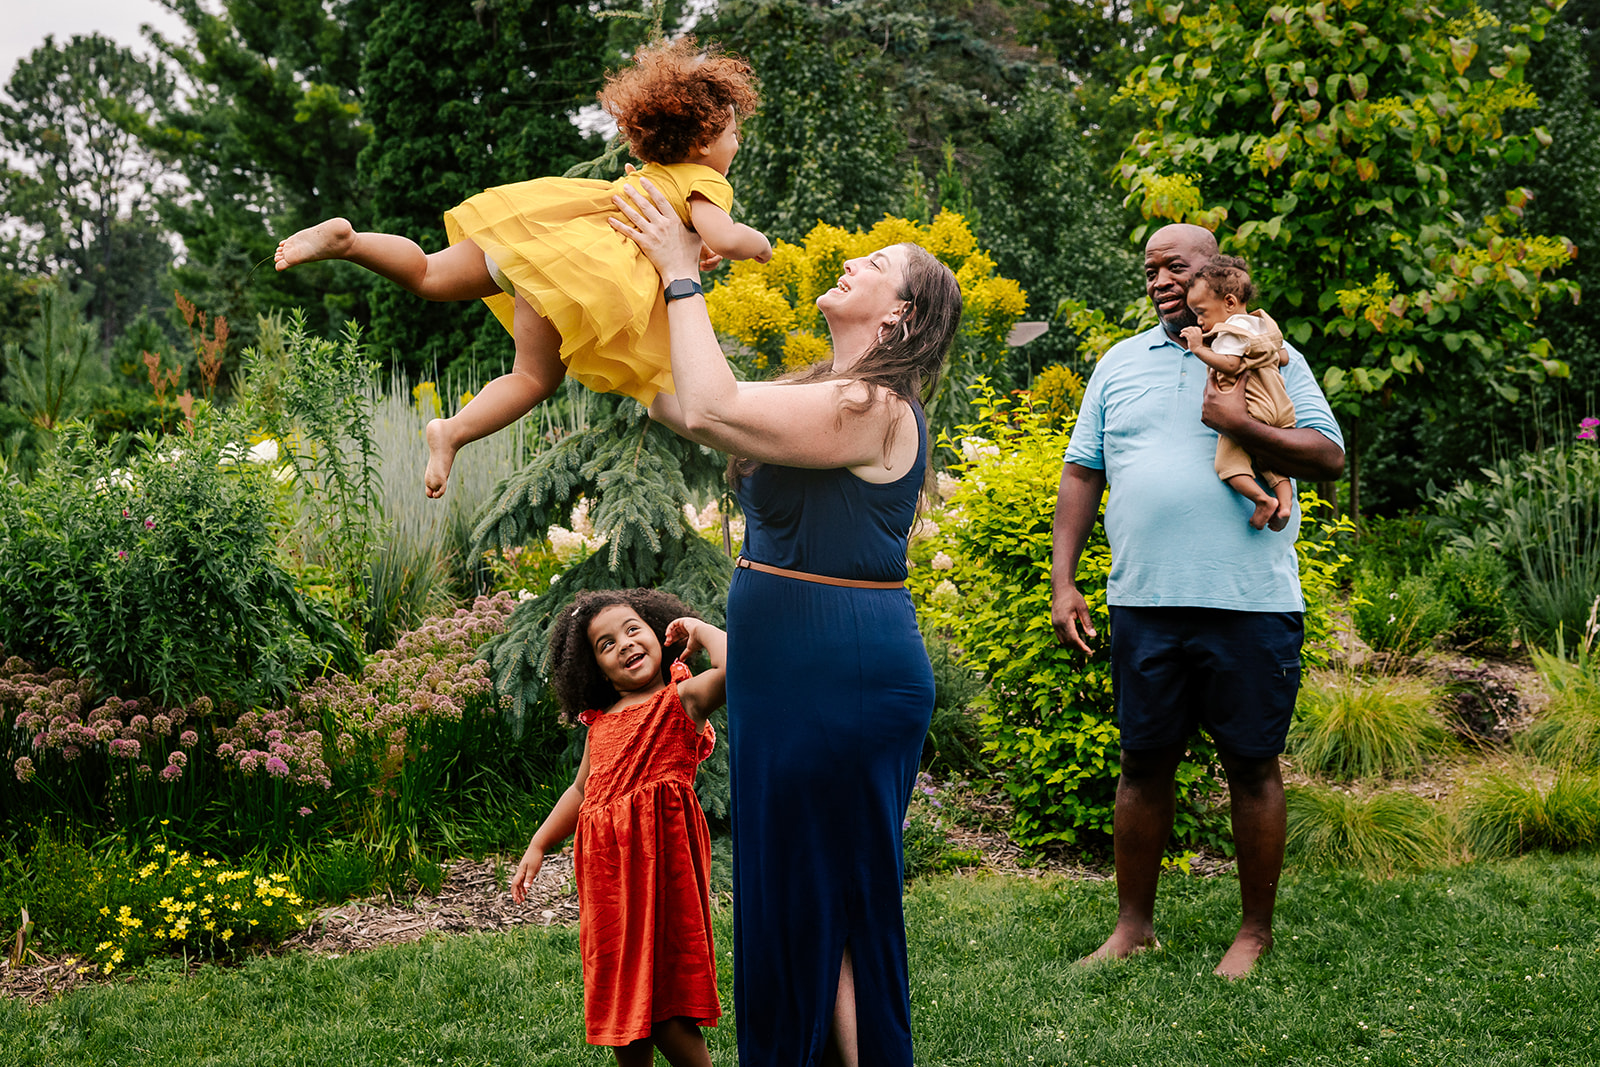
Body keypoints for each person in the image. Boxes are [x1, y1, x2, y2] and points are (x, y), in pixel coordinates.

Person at [608, 177, 962, 1066]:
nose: (851, 259)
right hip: (786, 671)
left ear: (900, 318)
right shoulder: (825, 393)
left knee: (830, 892)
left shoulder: (875, 408)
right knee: (798, 892)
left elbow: (717, 406)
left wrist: (685, 276)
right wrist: (594, 307)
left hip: (844, 676)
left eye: (877, 264)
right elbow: (687, 402)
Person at [273, 37, 772, 497]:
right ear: (704, 142)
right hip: (568, 272)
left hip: (533, 233)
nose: (738, 142)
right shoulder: (710, 181)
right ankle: (451, 432)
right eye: (733, 133)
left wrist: (693, 244)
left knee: (427, 273)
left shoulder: (653, 173)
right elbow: (725, 235)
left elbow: (670, 233)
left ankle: (351, 241)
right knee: (533, 379)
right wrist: (759, 244)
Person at [1050, 223, 1345, 980]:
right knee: (1142, 762)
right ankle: (1133, 926)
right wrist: (1065, 579)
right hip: (1145, 599)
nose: (1158, 280)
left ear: (1212, 270)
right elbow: (1083, 471)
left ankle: (1254, 932)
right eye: (1148, 269)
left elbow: (1328, 455)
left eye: (1173, 266)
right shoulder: (1119, 363)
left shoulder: (1269, 351)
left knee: (1252, 765)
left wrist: (1238, 423)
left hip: (1249, 602)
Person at [511, 588, 727, 1067]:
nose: (625, 644)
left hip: (662, 873)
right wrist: (539, 843)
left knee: (666, 1003)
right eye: (606, 644)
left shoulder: (682, 699)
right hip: (609, 880)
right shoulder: (600, 725)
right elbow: (580, 792)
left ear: (657, 632)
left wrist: (700, 629)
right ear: (596, 669)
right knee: (622, 1011)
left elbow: (740, 669)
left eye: (632, 629)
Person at [1180, 256, 1297, 532]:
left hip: (1252, 409)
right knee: (1273, 464)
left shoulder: (1230, 333)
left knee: (1227, 463)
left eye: (1202, 312)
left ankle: (1262, 501)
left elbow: (1231, 365)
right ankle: (1286, 504)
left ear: (1230, 303)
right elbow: (1283, 358)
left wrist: (1199, 348)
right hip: (1280, 407)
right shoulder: (1263, 326)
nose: (1198, 320)